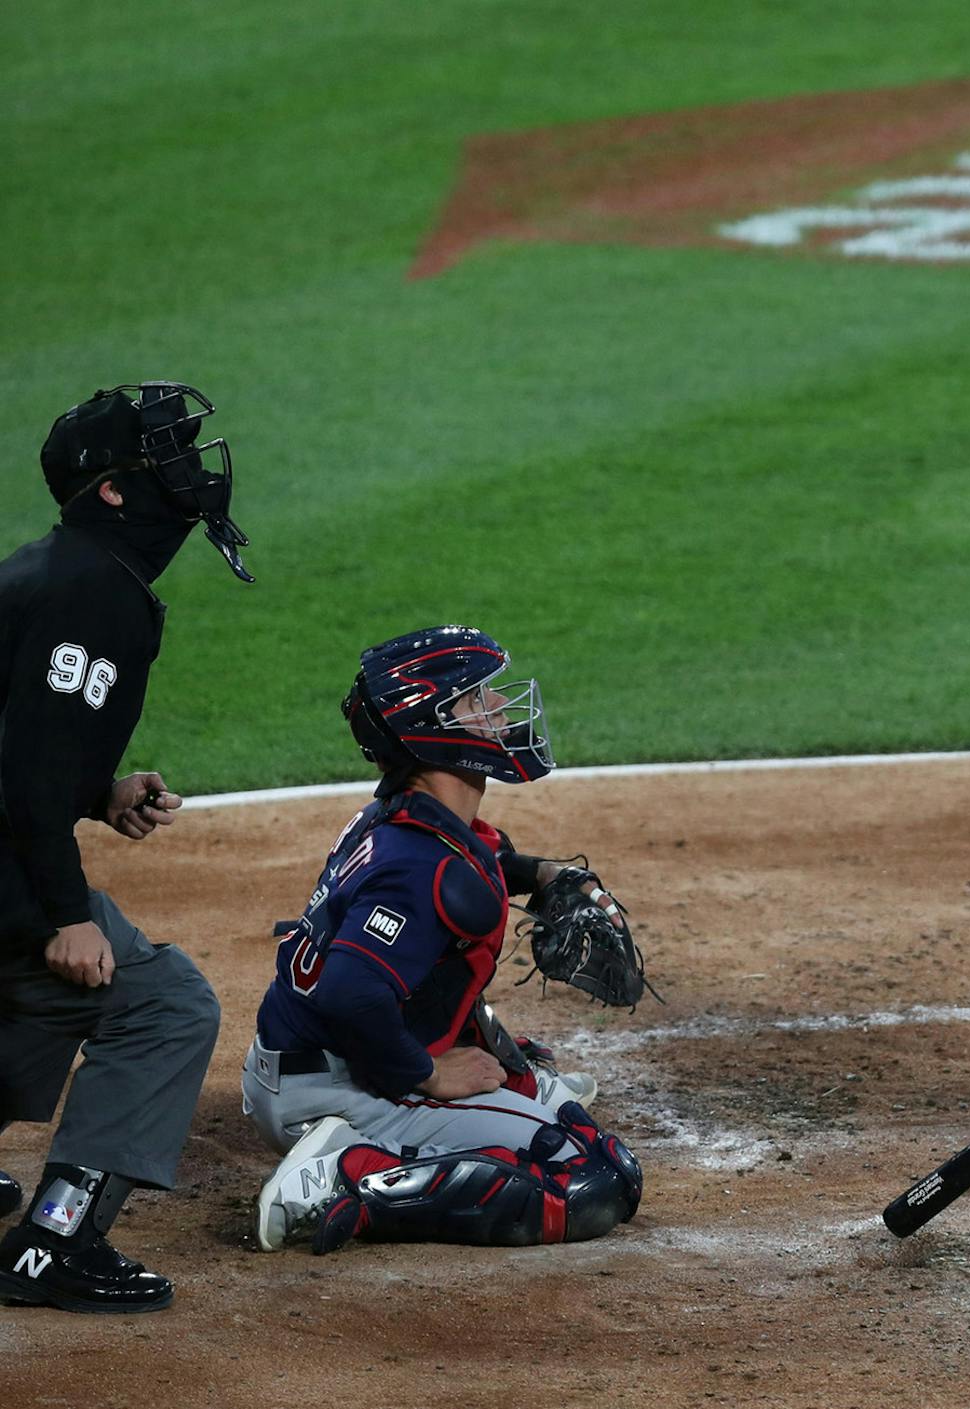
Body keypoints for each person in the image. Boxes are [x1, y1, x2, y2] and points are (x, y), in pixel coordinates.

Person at [242, 625, 646, 1253]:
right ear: (431, 727)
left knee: (536, 1090)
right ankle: (348, 1175)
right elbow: (349, 994)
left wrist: (542, 876)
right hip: (343, 1085)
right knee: (596, 1179)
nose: (500, 709)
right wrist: (425, 1073)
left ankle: (494, 1095)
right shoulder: (419, 866)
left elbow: (478, 866)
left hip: (299, 1062)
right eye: (477, 701)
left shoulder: (403, 817)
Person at [0, 383, 251, 1313]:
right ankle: (56, 1241)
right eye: (165, 453)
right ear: (111, 490)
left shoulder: (54, 572)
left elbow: (20, 745)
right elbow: (24, 774)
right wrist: (67, 912)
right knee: (162, 1005)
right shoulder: (91, 593)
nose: (190, 467)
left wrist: (97, 796)